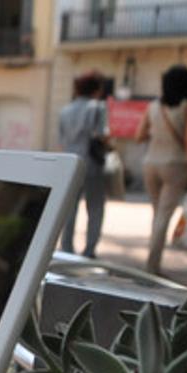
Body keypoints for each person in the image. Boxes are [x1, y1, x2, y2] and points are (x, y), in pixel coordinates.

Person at [136, 64, 187, 275]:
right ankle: (151, 267)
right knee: (163, 215)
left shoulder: (152, 107)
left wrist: (157, 132)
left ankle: (152, 263)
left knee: (157, 214)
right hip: (176, 165)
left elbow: (139, 136)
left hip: (150, 164)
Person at [57, 69, 109, 259]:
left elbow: (61, 141)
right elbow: (102, 135)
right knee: (95, 208)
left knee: (70, 208)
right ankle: (89, 251)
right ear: (96, 88)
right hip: (92, 164)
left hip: (70, 166)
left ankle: (67, 248)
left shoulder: (65, 110)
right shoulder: (98, 107)